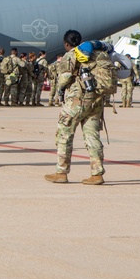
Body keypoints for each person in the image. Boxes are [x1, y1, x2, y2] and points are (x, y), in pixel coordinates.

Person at [45, 30, 107, 185]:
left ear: (66, 44)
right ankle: (97, 173)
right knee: (92, 136)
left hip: (77, 100)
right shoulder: (96, 54)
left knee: (64, 133)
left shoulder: (70, 55)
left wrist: (60, 84)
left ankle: (61, 172)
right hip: (96, 100)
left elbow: (64, 80)